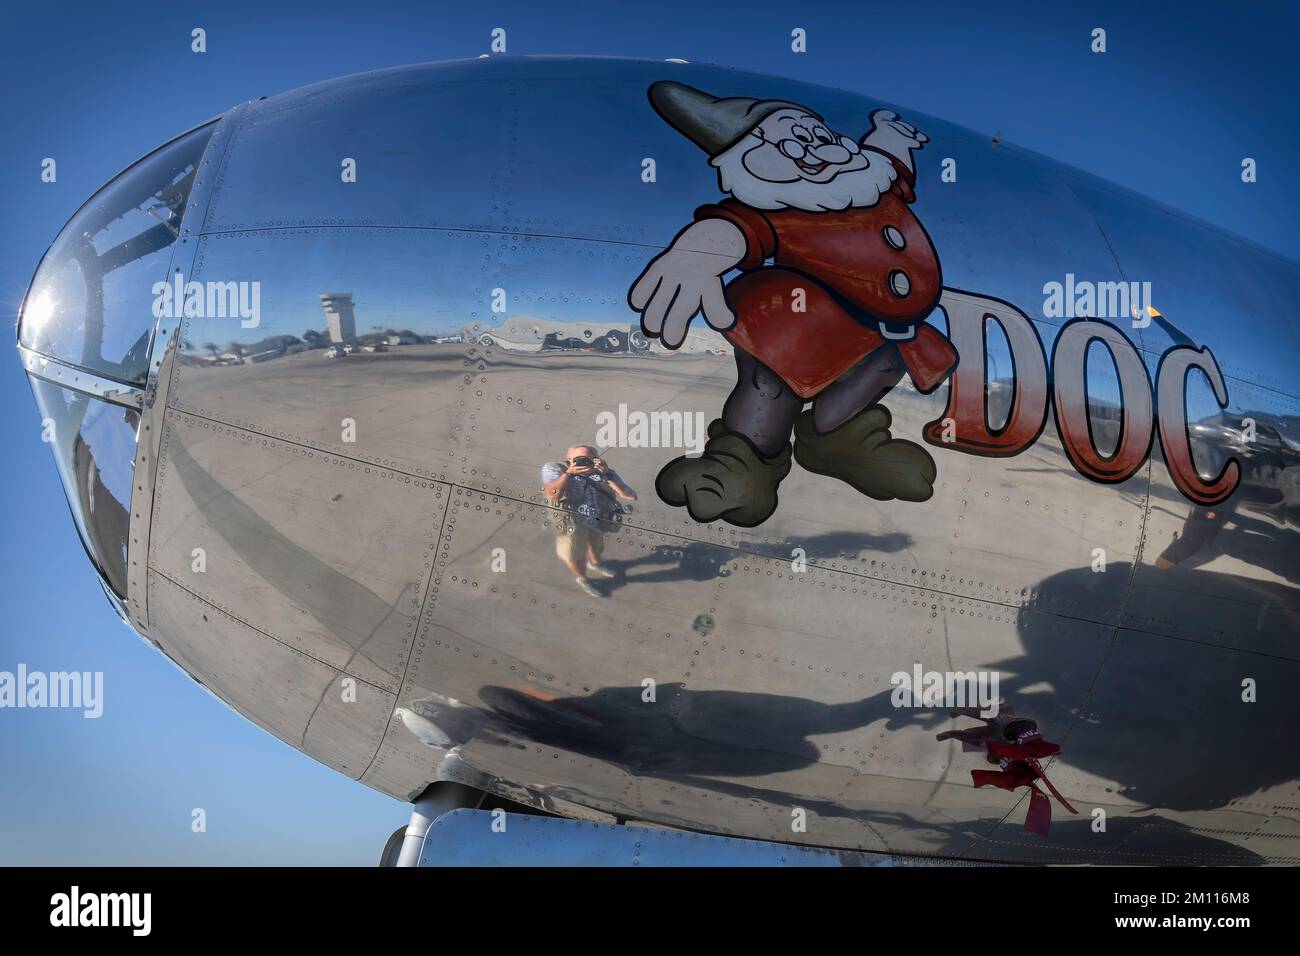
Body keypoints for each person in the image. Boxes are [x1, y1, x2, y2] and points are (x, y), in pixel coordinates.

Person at [541, 445, 637, 597]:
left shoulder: (605, 472)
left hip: (596, 520)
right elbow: (553, 495)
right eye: (580, 459)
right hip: (570, 524)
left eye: (591, 459)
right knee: (573, 555)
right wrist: (568, 474)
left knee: (596, 545)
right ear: (569, 460)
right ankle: (583, 578)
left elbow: (630, 496)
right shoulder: (554, 469)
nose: (585, 463)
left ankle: (595, 563)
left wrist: (606, 475)